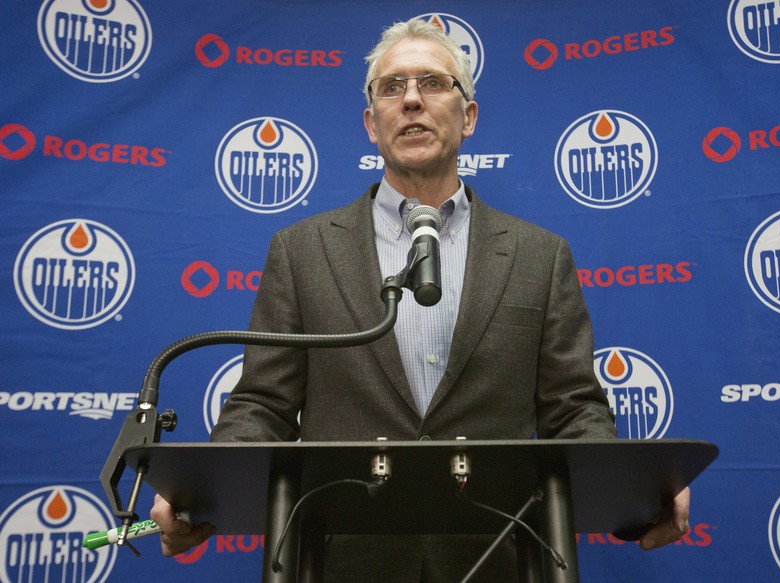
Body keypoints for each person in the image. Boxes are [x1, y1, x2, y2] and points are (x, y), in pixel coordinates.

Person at [151, 18, 691, 581]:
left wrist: (633, 494)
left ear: (469, 116)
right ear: (370, 124)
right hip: (343, 558)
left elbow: (572, 407)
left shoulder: (540, 256)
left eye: (433, 83)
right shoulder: (301, 250)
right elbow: (263, 404)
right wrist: (201, 492)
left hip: (498, 556)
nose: (411, 100)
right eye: (391, 87)